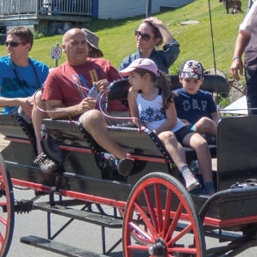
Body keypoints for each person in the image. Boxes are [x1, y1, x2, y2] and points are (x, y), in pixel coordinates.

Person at [39, 28, 133, 176]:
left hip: (114, 114)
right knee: (92, 115)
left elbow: (127, 91)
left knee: (141, 113)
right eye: (75, 43)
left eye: (83, 42)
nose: (81, 46)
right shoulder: (57, 75)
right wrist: (78, 108)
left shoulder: (103, 65)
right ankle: (124, 159)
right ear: (64, 48)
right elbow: (51, 111)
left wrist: (110, 87)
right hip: (81, 125)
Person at [122, 58, 208, 194]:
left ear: (146, 77)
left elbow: (172, 120)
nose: (129, 80)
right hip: (158, 133)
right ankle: (187, 174)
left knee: (201, 143)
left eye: (133, 76)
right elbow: (135, 118)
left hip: (174, 127)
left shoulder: (163, 92)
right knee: (168, 136)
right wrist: (145, 131)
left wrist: (154, 132)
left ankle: (209, 187)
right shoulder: (133, 93)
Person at [0, 26, 50, 151]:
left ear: (27, 47)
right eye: (7, 43)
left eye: (13, 44)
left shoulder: (42, 69)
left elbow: (49, 96)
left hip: (39, 110)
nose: (8, 47)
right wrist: (20, 102)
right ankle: (41, 149)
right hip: (15, 115)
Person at [173, 60, 221, 139]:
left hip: (207, 129)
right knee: (205, 122)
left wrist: (215, 124)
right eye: (187, 81)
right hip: (186, 130)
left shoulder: (206, 96)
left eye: (195, 81)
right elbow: (168, 115)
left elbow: (215, 115)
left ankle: (220, 136)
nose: (191, 85)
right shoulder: (175, 95)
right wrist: (178, 121)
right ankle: (224, 137)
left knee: (206, 122)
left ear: (201, 81)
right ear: (180, 79)